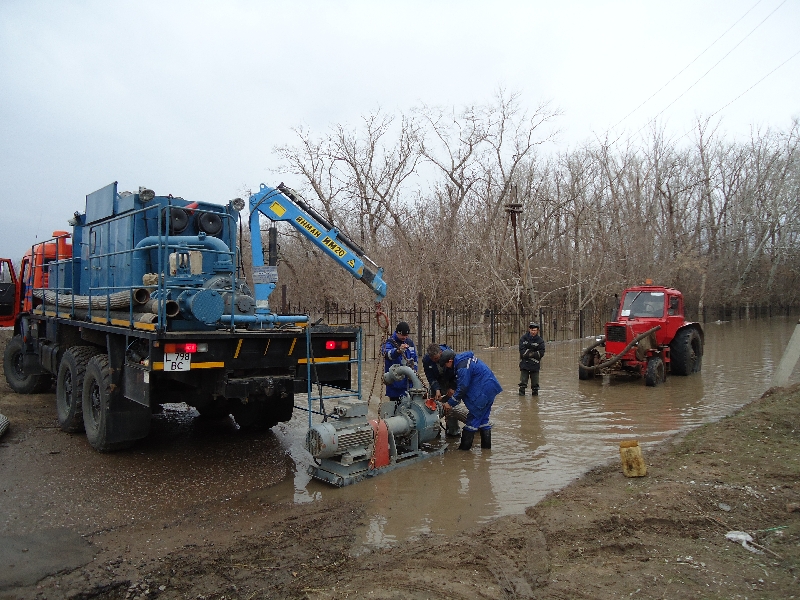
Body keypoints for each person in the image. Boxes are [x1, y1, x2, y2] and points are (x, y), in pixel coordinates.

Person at [439, 349, 502, 450]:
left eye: (445, 364)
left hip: (483, 393)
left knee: (472, 421)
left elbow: (463, 387)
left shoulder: (462, 367)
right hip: (490, 388)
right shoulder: (464, 361)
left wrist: (449, 403)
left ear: (450, 361)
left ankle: (464, 451)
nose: (446, 367)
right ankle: (486, 451)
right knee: (484, 421)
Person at [423, 343, 460, 437]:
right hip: (438, 381)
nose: (434, 361)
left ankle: (453, 432)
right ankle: (434, 432)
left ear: (441, 352)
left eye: (436, 359)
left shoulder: (451, 355)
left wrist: (453, 387)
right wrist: (437, 389)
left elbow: (458, 373)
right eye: (432, 359)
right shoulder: (426, 360)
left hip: (450, 380)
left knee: (452, 406)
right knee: (431, 406)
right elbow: (430, 377)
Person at [383, 321, 418, 403]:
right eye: (403, 335)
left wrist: (414, 372)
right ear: (397, 332)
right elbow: (387, 354)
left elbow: (415, 359)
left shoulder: (410, 343)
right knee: (395, 410)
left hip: (409, 385)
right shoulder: (390, 343)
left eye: (406, 335)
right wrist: (398, 351)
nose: (405, 337)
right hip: (395, 387)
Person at [519, 322, 545, 396]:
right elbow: (522, 352)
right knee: (522, 384)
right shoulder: (523, 339)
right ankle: (521, 399)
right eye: (532, 330)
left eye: (534, 330)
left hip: (535, 365)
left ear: (537, 331)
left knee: (535, 386)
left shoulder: (540, 340)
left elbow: (541, 353)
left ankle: (535, 401)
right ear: (529, 329)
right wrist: (532, 353)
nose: (533, 332)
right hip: (524, 365)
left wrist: (531, 353)